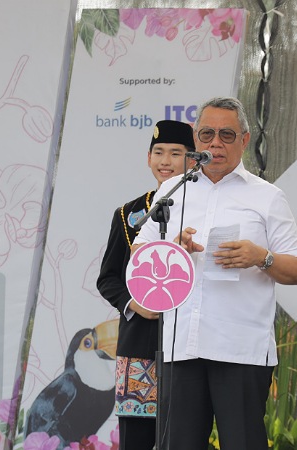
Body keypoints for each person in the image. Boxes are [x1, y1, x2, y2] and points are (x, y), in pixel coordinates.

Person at [131, 96, 297, 450]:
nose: (215, 143)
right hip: (182, 347)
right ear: (196, 139)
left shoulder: (267, 197)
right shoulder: (171, 191)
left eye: (226, 135)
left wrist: (262, 257)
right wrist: (172, 250)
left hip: (240, 348)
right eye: (207, 133)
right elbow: (139, 255)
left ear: (244, 139)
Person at [97, 119, 196, 450]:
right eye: (158, 152)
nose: (165, 161)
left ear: (193, 160)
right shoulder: (128, 215)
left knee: (183, 438)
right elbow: (108, 278)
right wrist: (132, 303)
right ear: (148, 158)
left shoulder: (203, 210)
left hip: (189, 347)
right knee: (136, 440)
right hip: (138, 345)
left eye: (176, 153)